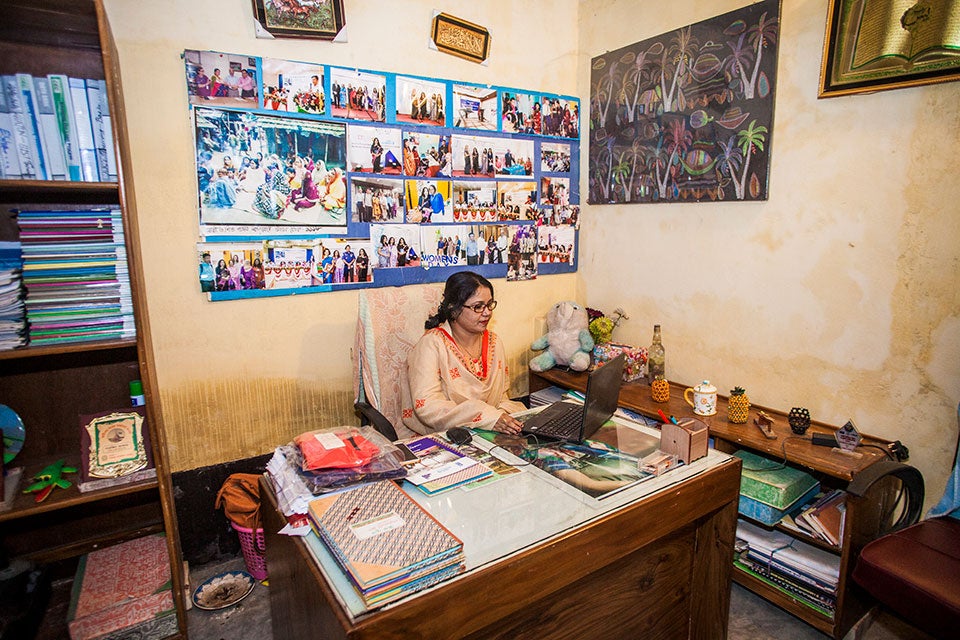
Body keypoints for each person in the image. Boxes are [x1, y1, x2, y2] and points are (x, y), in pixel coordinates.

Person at [401, 271, 525, 438]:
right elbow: (428, 406)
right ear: (453, 309)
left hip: (491, 429)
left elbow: (502, 396)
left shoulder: (494, 342)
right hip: (447, 434)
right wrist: (486, 417)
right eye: (478, 307)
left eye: (489, 305)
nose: (487, 312)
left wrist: (501, 418)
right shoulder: (432, 345)